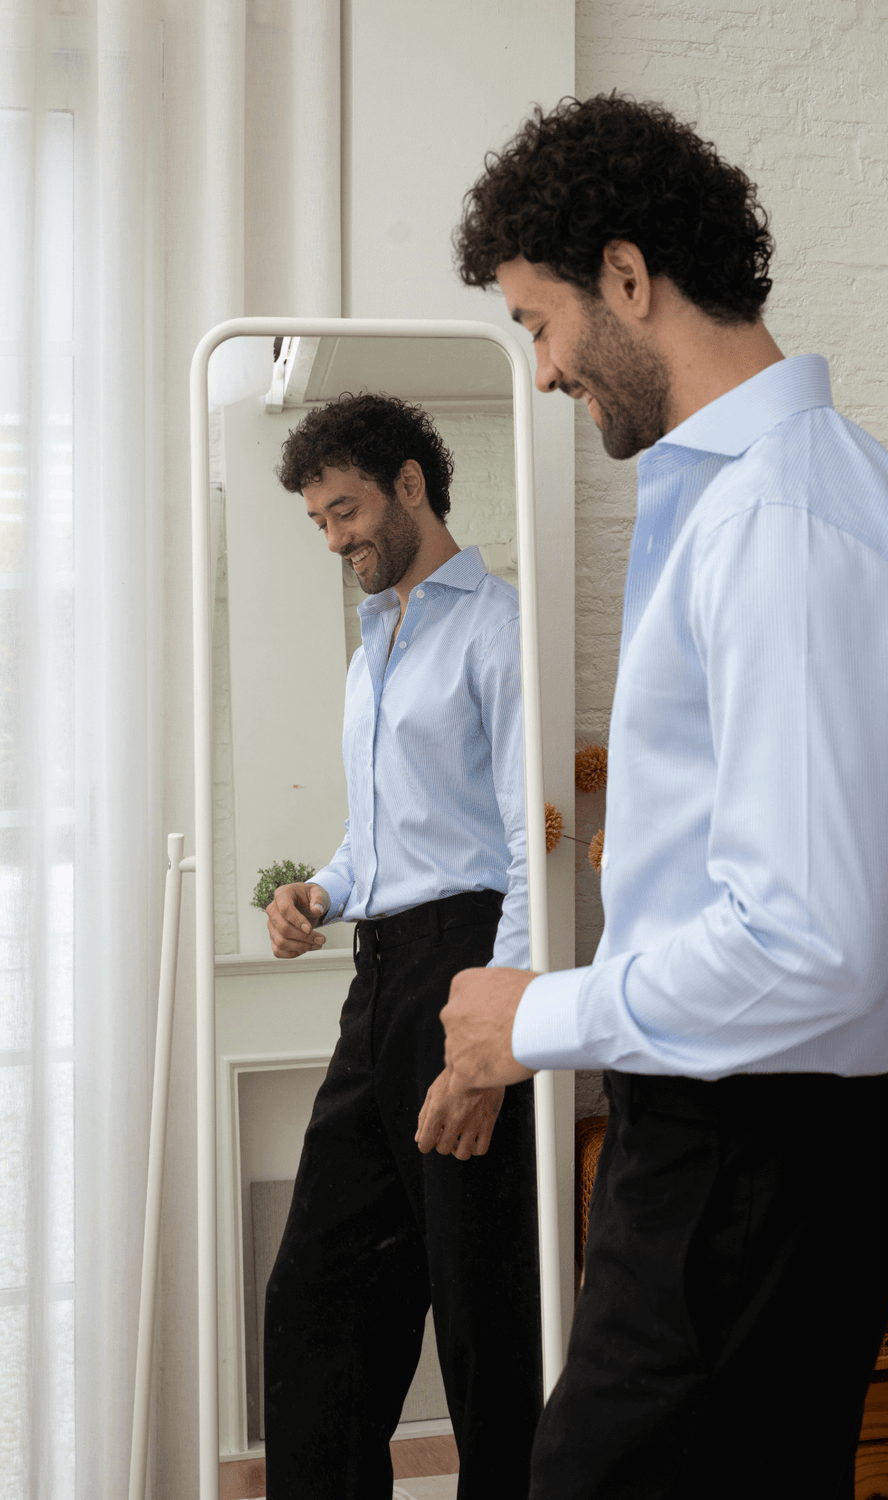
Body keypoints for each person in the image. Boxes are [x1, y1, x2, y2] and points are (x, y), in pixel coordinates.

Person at [442, 95, 888, 1498]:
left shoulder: (782, 525)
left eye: (539, 322)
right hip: (758, 1132)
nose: (544, 372)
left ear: (627, 276)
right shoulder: (790, 496)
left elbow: (806, 943)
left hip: (755, 1143)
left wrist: (534, 1019)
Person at [261, 393, 541, 1500]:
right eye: (320, 522)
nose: (336, 539)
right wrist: (321, 889)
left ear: (413, 483)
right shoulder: (372, 648)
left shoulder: (497, 626)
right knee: (317, 1291)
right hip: (376, 978)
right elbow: (387, 835)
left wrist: (496, 1035)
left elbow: (526, 848)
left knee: (479, 1304)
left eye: (347, 510)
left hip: (465, 968)